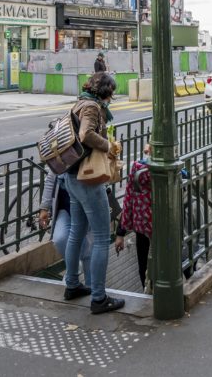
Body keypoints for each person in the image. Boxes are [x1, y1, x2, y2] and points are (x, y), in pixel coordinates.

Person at [63, 72, 125, 314]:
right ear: (106, 91)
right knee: (101, 237)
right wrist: (108, 145)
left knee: (76, 231)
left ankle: (72, 285)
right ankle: (99, 298)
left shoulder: (80, 101)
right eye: (112, 93)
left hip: (70, 176)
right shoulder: (91, 107)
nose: (112, 98)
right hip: (86, 178)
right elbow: (85, 135)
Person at [38, 172, 92, 287]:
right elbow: (51, 178)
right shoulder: (61, 156)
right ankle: (74, 267)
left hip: (87, 205)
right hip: (65, 206)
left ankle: (92, 289)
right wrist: (44, 207)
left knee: (88, 249)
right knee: (60, 238)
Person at [115, 146, 152, 290]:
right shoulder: (172, 169)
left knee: (143, 265)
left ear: (147, 151)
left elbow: (128, 200)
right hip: (163, 228)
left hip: (142, 226)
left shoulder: (137, 170)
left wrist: (120, 233)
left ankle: (146, 292)